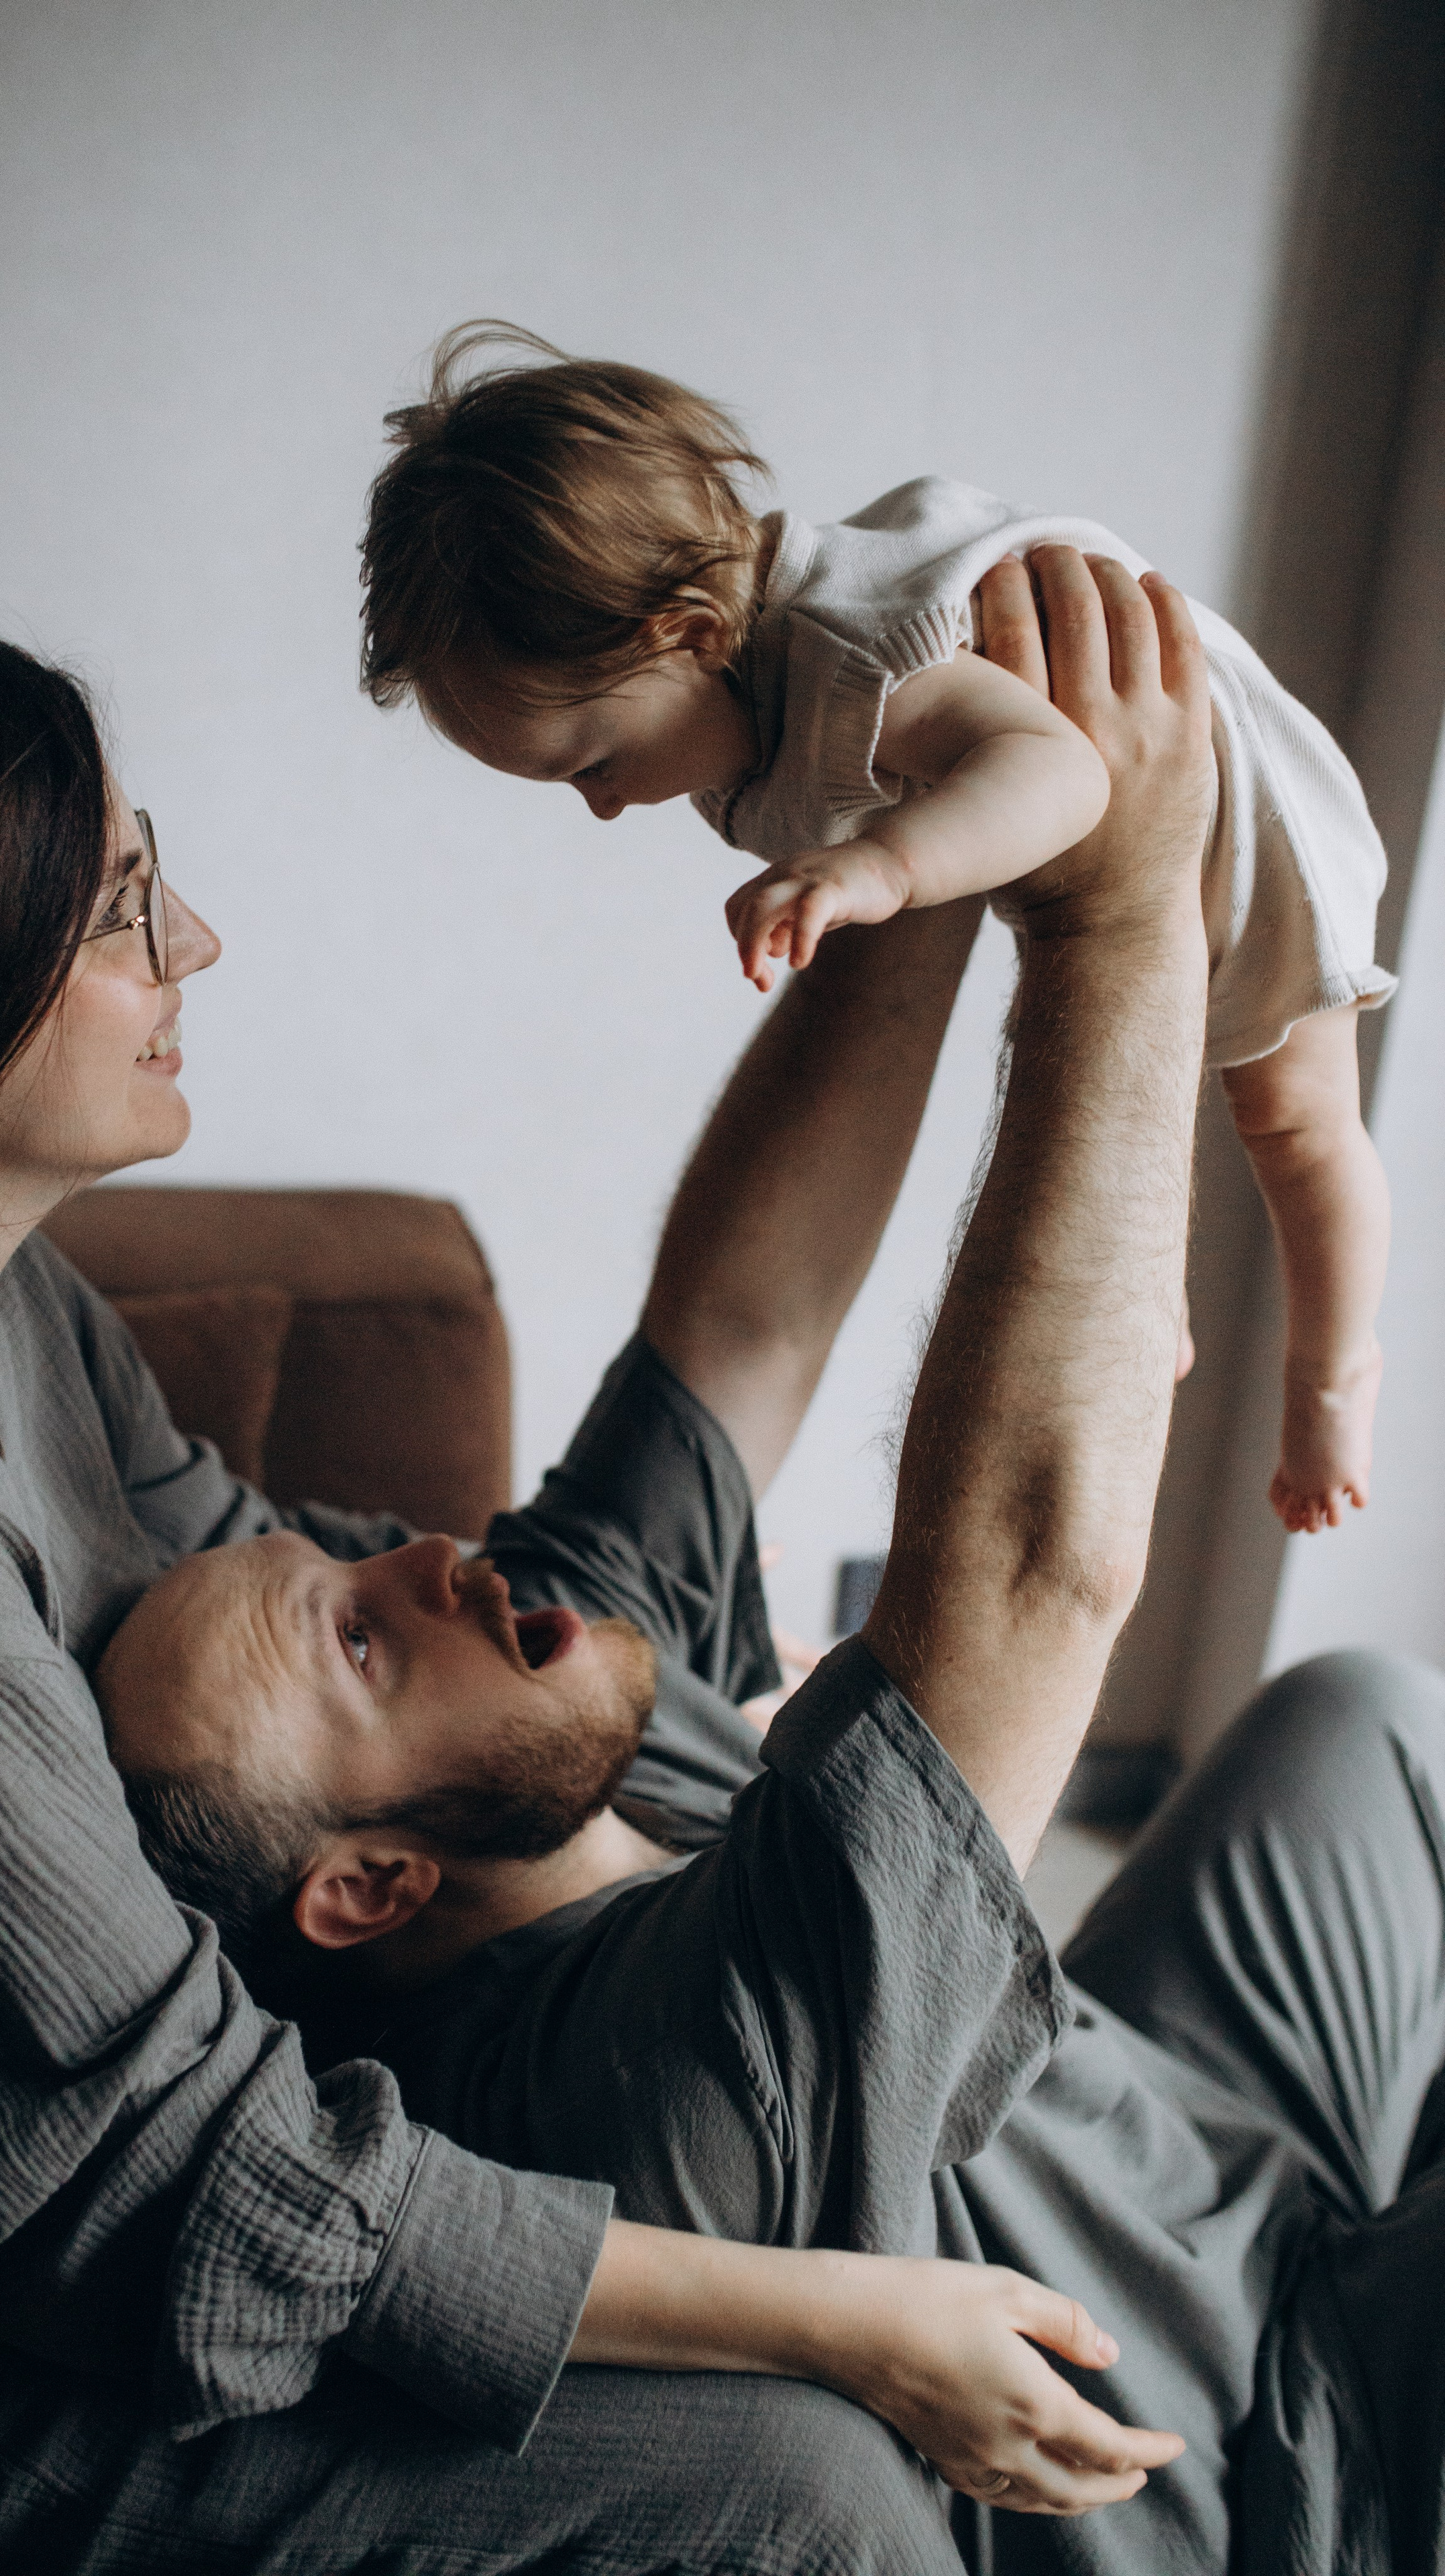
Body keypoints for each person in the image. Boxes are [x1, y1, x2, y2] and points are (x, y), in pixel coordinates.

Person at [107, 555, 1445, 2573]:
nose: (446, 1562)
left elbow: (737, 1329)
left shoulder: (547, 1709)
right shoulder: (639, 2081)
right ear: (374, 1884)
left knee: (1368, 1715)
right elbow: (1031, 1565)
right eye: (366, 1639)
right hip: (1287, 2428)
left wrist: (882, 822)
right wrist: (1120, 895)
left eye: (368, 1554)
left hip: (1197, 2126)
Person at [0, 623, 1034, 2576]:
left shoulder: (8, 1309)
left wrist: (931, 849)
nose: (198, 946)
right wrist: (851, 2320)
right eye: (118, 913)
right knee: (812, 2489)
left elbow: (306, 1585)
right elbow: (192, 2182)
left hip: (217, 2114)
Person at [358, 323, 1393, 1538]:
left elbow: (1059, 770)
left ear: (688, 632)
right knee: (1138, 1087)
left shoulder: (855, 651)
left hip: (1247, 819)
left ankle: (1334, 1370)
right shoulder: (741, 689)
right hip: (1116, 838)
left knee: (1294, 1123)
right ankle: (1150, 1291)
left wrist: (881, 867)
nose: (599, 806)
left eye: (595, 762)